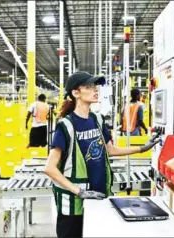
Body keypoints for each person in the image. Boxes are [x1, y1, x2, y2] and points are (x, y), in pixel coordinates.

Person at [44, 71, 161, 238]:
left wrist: (142, 148)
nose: (95, 89)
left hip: (99, 194)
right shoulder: (66, 125)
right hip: (73, 202)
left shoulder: (97, 119)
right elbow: (49, 168)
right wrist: (78, 191)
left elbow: (111, 150)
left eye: (95, 86)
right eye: (89, 86)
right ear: (75, 93)